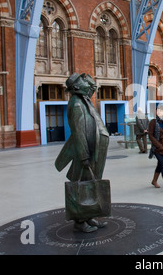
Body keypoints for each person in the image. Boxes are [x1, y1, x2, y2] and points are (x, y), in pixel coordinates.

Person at [55, 73, 109, 232]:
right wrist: (84, 156)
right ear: (77, 87)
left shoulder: (84, 101)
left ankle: (89, 216)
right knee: (82, 185)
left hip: (94, 152)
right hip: (84, 154)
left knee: (90, 185)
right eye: (85, 82)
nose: (91, 86)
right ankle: (79, 222)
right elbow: (78, 133)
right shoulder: (76, 104)